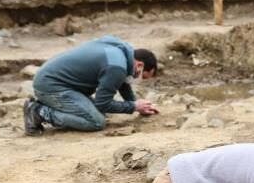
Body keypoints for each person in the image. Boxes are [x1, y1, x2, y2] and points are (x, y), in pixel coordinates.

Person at [23, 35, 159, 135]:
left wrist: (136, 105)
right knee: (96, 121)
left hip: (58, 81)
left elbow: (121, 82)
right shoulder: (116, 66)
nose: (139, 79)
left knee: (97, 113)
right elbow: (103, 104)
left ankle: (48, 106)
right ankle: (38, 112)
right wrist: (133, 106)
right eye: (143, 76)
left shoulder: (119, 51)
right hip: (51, 86)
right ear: (140, 65)